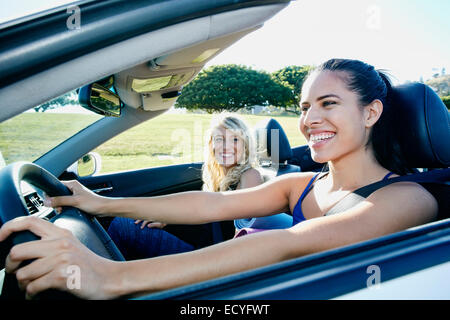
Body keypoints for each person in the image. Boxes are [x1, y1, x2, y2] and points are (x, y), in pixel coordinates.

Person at [0, 59, 438, 300]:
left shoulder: (409, 199)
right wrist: (100, 203)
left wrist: (109, 277)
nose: (309, 120)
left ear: (370, 112)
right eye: (305, 107)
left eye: (328, 103)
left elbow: (286, 243)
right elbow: (210, 204)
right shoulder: (301, 183)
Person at [106, 113, 263, 259]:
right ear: (211, 145)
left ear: (246, 146)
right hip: (201, 248)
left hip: (212, 259)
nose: (226, 146)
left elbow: (246, 234)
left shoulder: (249, 175)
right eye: (219, 139)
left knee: (123, 226)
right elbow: (206, 222)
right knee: (128, 222)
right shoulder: (218, 178)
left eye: (235, 139)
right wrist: (167, 221)